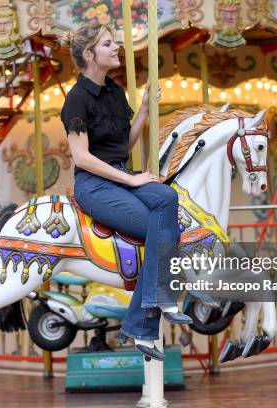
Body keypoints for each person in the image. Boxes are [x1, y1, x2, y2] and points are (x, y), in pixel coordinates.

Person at [59, 22, 192, 361]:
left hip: (119, 175)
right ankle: (145, 322)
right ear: (90, 54)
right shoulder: (76, 100)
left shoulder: (114, 92)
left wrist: (145, 108)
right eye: (108, 43)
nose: (116, 47)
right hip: (94, 184)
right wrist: (132, 180)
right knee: (159, 226)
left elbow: (122, 145)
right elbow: (82, 157)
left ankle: (153, 304)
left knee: (167, 198)